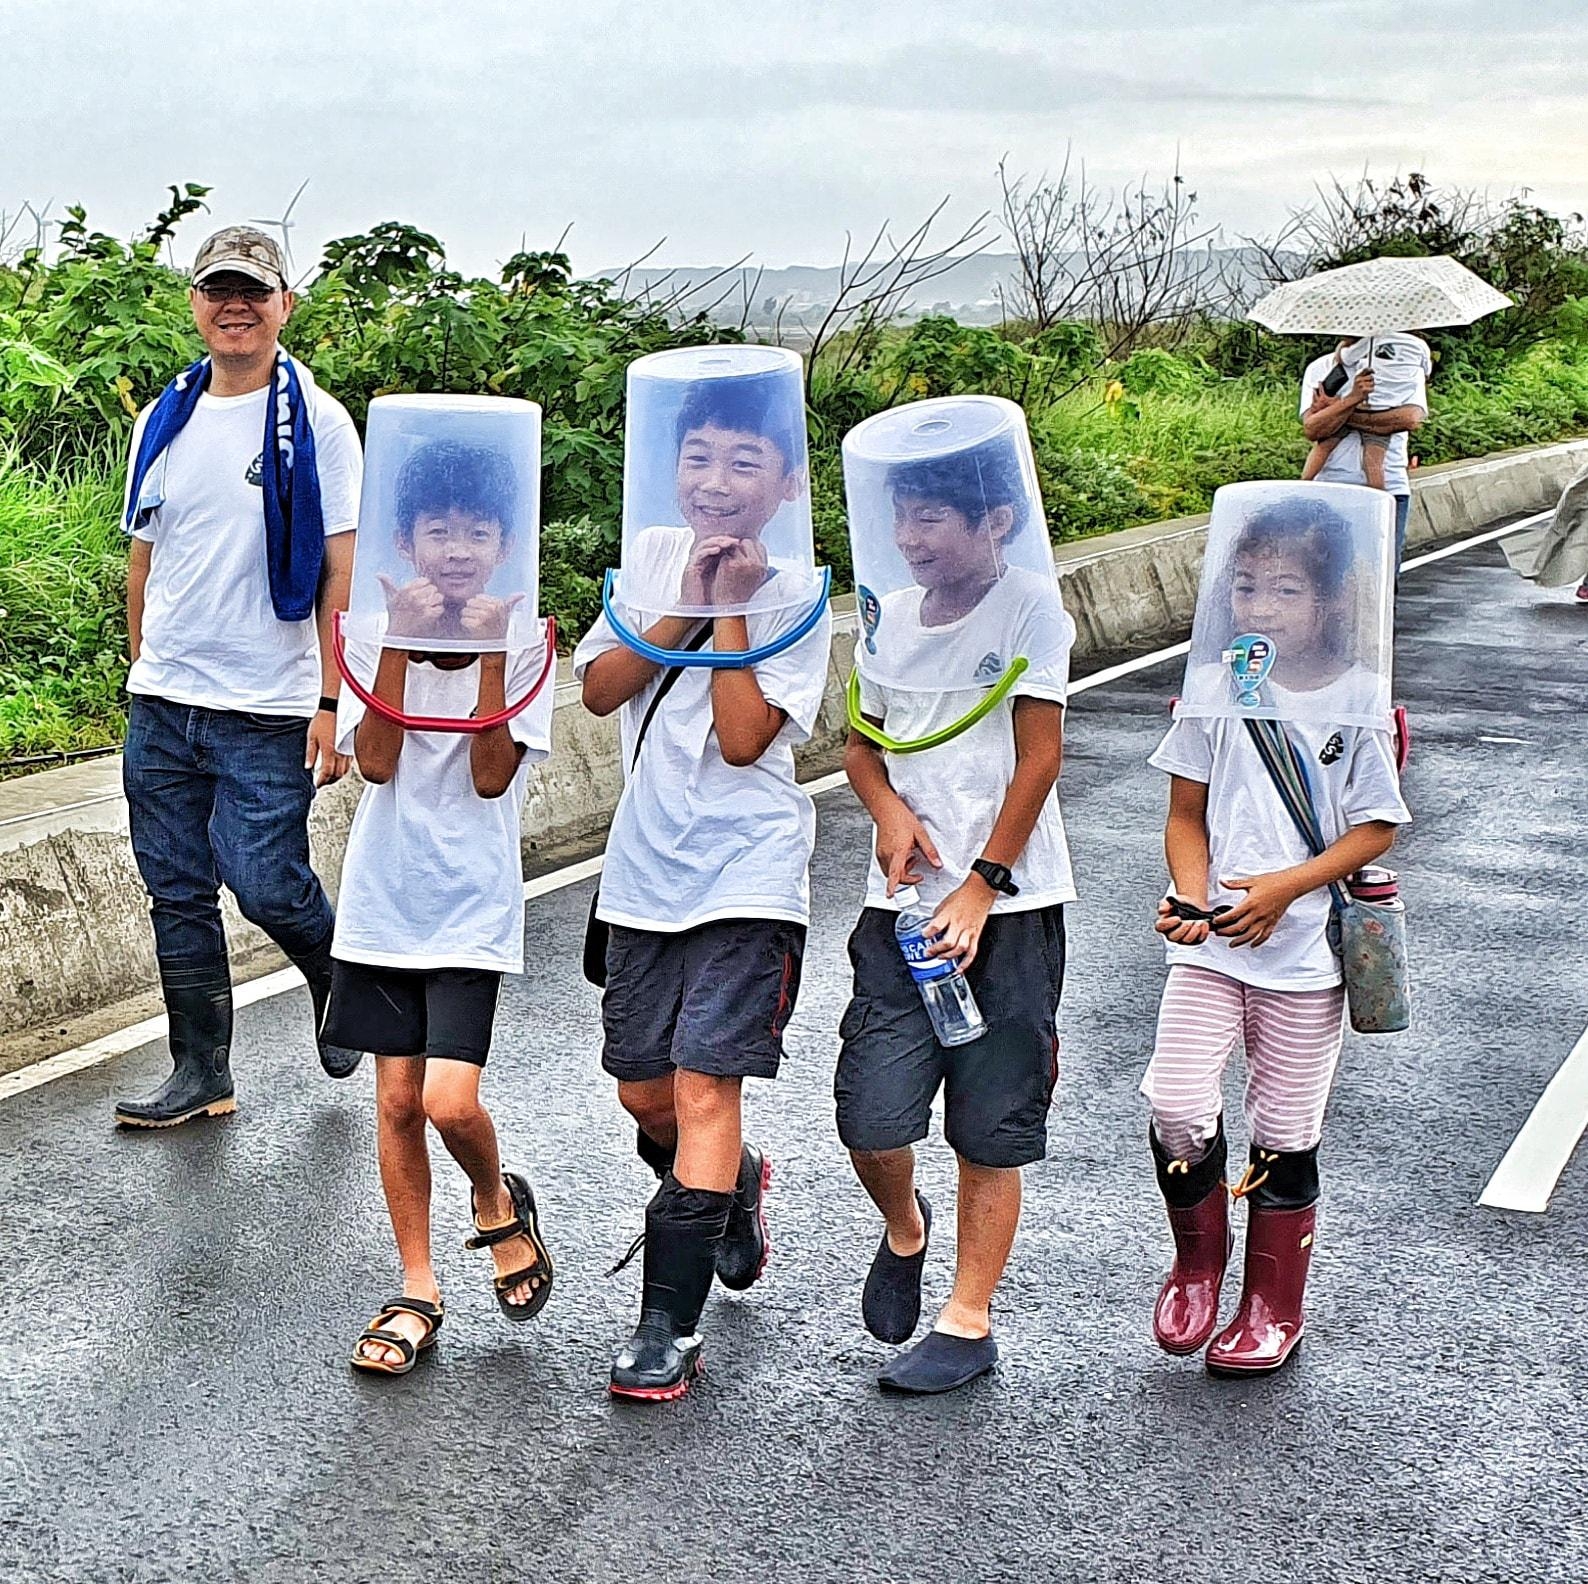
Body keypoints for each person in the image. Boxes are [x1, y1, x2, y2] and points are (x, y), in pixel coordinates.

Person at [575, 365, 832, 1402]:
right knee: (641, 1088)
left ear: (786, 480)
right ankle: (734, 1189)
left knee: (701, 1085)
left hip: (749, 870)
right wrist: (683, 600)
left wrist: (733, 611)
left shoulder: (801, 594)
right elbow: (598, 689)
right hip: (644, 868)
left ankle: (666, 1330)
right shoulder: (650, 558)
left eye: (744, 460)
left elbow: (739, 742)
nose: (716, 480)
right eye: (697, 457)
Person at [1143, 492, 1410, 1375]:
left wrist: (1286, 890)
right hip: (1213, 951)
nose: (1258, 607)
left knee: (1285, 1132)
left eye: (1285, 590)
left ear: (1334, 600)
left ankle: (1272, 1303)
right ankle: (1197, 1265)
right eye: (1246, 587)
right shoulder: (1219, 689)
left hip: (1303, 961)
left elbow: (1375, 826)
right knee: (1177, 1105)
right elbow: (1186, 815)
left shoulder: (1362, 700)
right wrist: (1195, 900)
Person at [836, 428, 1074, 1395]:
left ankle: (967, 1319)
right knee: (869, 1115)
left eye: (932, 515)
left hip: (1009, 908)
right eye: (900, 514)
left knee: (991, 1122)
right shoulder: (886, 613)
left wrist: (983, 883)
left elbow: (1040, 757)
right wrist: (888, 808)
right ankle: (905, 1227)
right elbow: (861, 746)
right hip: (898, 909)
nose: (911, 535)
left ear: (996, 521)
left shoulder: (1030, 607)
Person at [115, 226, 363, 1130]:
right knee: (175, 889)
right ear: (196, 304)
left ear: (284, 306)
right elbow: (145, 558)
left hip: (268, 706)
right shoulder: (164, 418)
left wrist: (334, 700)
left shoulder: (320, 424)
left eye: (254, 292)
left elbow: (341, 569)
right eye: (219, 289)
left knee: (265, 881)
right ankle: (201, 1071)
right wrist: (146, 667)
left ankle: (337, 975)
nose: (236, 306)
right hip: (165, 705)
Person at [327, 435, 555, 1376]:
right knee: (394, 1102)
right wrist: (404, 646)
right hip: (384, 899)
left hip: (469, 903)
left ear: (502, 544)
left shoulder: (530, 637)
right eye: (437, 530)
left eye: (476, 531)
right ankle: (419, 1285)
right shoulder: (373, 631)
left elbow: (494, 776)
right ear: (408, 541)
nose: (456, 549)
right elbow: (374, 764)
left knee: (448, 1101)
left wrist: (491, 652)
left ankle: (498, 1203)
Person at [1300, 335, 1429, 568]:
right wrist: (1353, 400)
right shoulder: (1320, 368)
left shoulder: (1406, 366)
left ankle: (1376, 505)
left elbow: (1410, 418)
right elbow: (1313, 429)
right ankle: (1301, 490)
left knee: (1382, 573)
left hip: (1392, 488)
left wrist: (1338, 412)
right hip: (1329, 488)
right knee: (1325, 573)